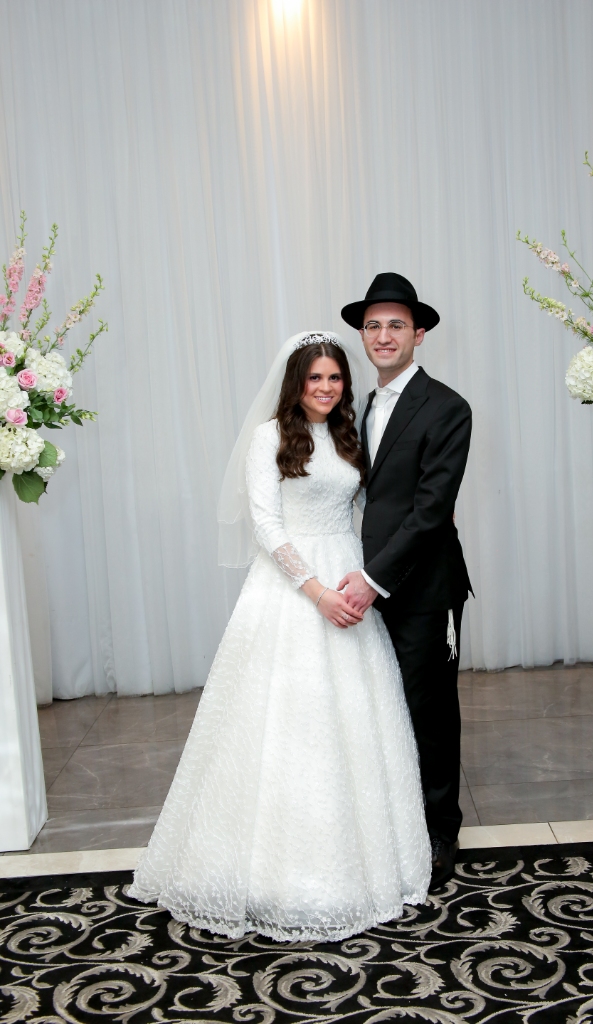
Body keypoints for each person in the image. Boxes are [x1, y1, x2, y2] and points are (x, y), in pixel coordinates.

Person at [129, 332, 431, 942]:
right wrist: (316, 592)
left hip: (349, 576)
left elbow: (366, 508)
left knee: (355, 721)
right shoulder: (270, 437)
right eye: (315, 378)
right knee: (284, 725)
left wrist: (363, 580)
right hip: (292, 589)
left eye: (335, 378)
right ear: (296, 382)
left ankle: (363, 865)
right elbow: (266, 525)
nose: (326, 388)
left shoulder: (349, 436)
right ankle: (267, 874)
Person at [339, 274, 472, 891]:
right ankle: (391, 822)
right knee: (377, 706)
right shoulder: (358, 407)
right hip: (365, 582)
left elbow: (430, 510)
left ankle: (441, 830)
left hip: (422, 586)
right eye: (373, 326)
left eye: (396, 325)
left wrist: (373, 578)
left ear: (419, 334)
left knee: (429, 710)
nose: (384, 335)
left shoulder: (447, 407)